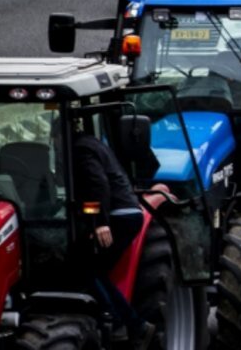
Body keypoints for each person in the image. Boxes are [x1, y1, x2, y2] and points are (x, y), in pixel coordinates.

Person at [72, 115, 157, 350]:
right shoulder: (93, 143)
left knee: (86, 269)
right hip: (123, 212)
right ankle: (128, 323)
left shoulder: (81, 149)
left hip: (120, 215)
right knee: (93, 270)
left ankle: (122, 322)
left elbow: (97, 184)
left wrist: (99, 222)